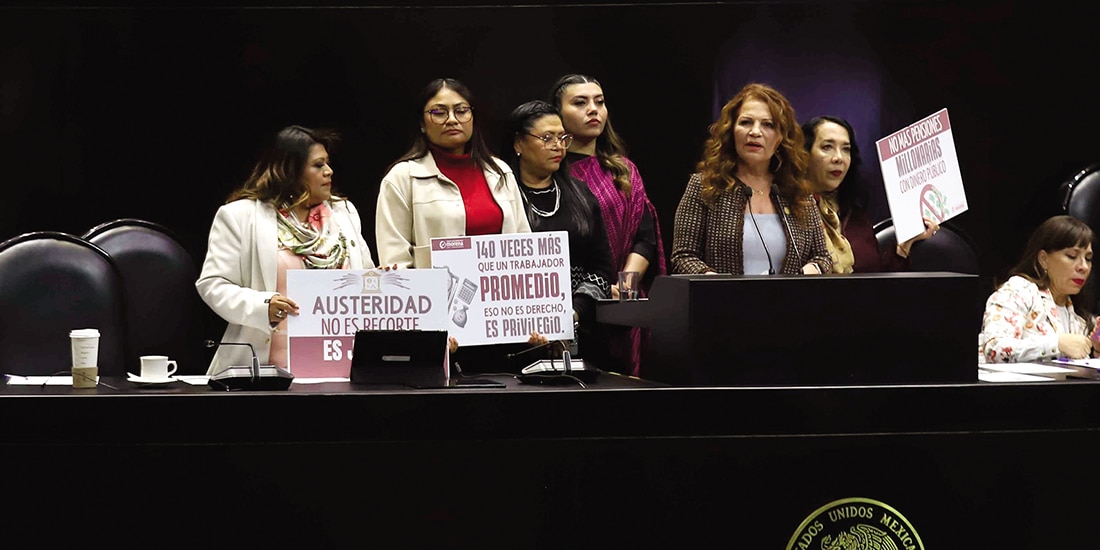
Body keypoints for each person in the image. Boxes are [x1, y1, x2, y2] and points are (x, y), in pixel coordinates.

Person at [196, 125, 376, 376]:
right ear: (290, 171)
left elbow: (365, 276)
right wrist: (262, 306)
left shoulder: (344, 213)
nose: (329, 171)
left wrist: (381, 279)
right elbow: (213, 284)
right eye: (318, 165)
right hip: (266, 370)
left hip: (339, 365)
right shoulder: (240, 216)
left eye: (328, 163)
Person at [548, 74, 667, 376]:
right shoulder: (547, 175)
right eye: (580, 102)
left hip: (618, 306)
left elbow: (645, 238)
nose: (593, 110)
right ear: (557, 114)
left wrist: (623, 288)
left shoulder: (623, 171)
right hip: (567, 307)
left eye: (599, 102)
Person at [670, 82, 832, 275]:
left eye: (768, 125)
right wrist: (713, 282)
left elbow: (823, 258)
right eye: (746, 122)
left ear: (781, 138)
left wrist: (811, 270)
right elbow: (683, 257)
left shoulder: (797, 192)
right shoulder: (705, 186)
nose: (755, 132)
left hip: (788, 302)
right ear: (731, 131)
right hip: (722, 302)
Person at [376, 77, 531, 269]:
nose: (452, 119)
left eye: (461, 111)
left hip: (500, 293)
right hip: (435, 295)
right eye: (439, 113)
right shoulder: (402, 178)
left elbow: (525, 246)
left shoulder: (500, 171)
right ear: (422, 124)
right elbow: (395, 262)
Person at [506, 99, 616, 370]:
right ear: (518, 143)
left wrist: (572, 313)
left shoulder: (581, 194)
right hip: (510, 334)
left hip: (579, 331)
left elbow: (602, 268)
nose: (557, 145)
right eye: (547, 138)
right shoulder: (499, 198)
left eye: (562, 138)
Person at [801, 115, 937, 273]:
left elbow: (876, 277)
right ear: (804, 154)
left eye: (846, 149)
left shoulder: (854, 211)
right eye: (827, 147)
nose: (839, 157)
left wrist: (905, 244)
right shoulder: (789, 208)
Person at [979, 215, 1099, 363]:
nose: (1084, 267)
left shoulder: (1080, 315)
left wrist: (1097, 351)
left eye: (1088, 258)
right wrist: (1057, 344)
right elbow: (994, 349)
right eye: (1072, 256)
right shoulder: (1018, 290)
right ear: (1043, 259)